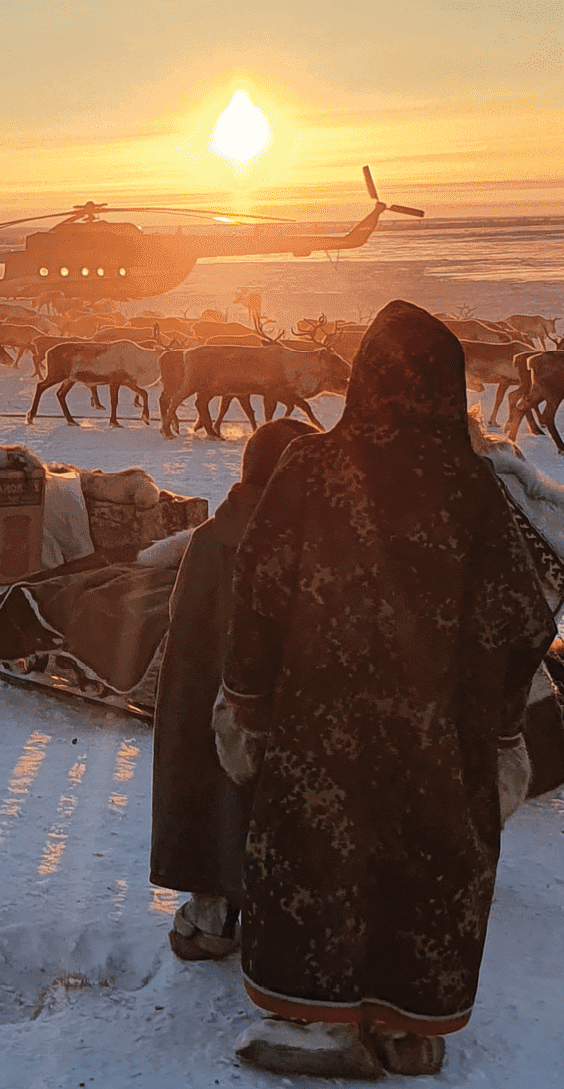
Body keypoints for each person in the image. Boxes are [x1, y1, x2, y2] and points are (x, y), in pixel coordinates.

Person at [212, 300, 556, 1078]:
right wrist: (499, 724)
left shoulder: (307, 469)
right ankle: (409, 1030)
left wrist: (245, 700)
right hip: (439, 737)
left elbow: (258, 590)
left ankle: (324, 1026)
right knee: (427, 865)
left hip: (315, 731)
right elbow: (519, 614)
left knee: (318, 860)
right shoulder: (470, 487)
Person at [148, 417, 318, 961]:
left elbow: (182, 615)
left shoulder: (210, 539)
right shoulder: (316, 545)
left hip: (207, 693)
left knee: (214, 798)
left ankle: (212, 915)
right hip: (285, 702)